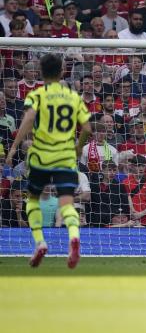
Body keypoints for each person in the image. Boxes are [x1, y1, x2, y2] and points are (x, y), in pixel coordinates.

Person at [6, 53, 92, 269]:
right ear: (62, 72)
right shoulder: (73, 97)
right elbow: (88, 129)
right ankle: (73, 236)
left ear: (42, 73)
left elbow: (29, 119)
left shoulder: (37, 95)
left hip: (41, 156)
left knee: (33, 200)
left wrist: (14, 147)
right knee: (67, 202)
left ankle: (40, 242)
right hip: (65, 157)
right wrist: (78, 147)